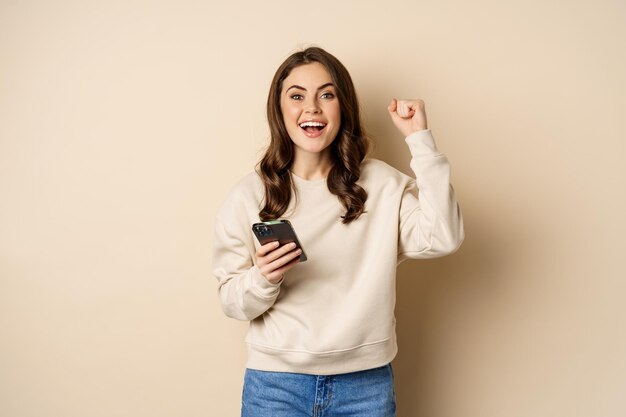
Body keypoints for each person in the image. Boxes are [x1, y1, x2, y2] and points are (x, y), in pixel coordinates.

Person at [212, 46, 464, 417]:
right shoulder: (248, 195)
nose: (312, 107)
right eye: (297, 96)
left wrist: (419, 139)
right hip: (276, 386)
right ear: (280, 110)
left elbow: (445, 236)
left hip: (365, 385)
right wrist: (264, 277)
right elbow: (232, 302)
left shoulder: (382, 184)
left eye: (326, 95)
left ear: (342, 106)